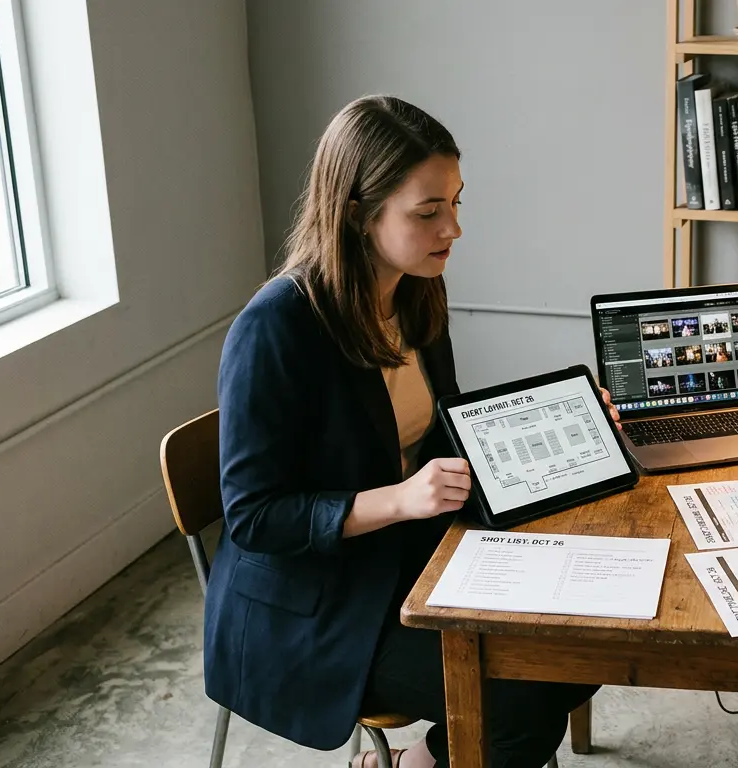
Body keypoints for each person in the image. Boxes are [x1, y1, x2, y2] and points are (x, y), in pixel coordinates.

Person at [206, 95, 615, 768]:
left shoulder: (415, 292)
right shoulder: (276, 328)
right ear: (357, 212)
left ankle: (418, 759)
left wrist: (565, 423)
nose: (452, 228)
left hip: (403, 558)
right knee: (519, 701)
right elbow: (254, 517)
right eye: (428, 212)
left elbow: (442, 430)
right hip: (313, 609)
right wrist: (401, 500)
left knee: (585, 640)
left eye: (456, 203)